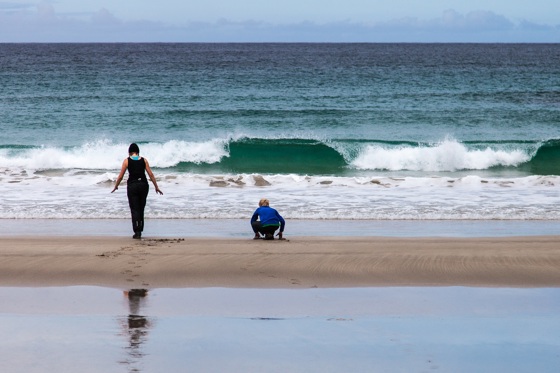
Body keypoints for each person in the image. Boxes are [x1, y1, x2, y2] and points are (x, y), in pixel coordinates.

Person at [111, 143, 163, 239]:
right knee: (141, 208)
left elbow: (121, 176)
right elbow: (151, 175)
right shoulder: (144, 160)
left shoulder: (126, 161)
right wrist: (156, 187)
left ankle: (137, 231)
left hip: (132, 186)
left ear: (130, 152)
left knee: (134, 209)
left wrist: (116, 186)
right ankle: (140, 229)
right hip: (143, 185)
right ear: (138, 152)